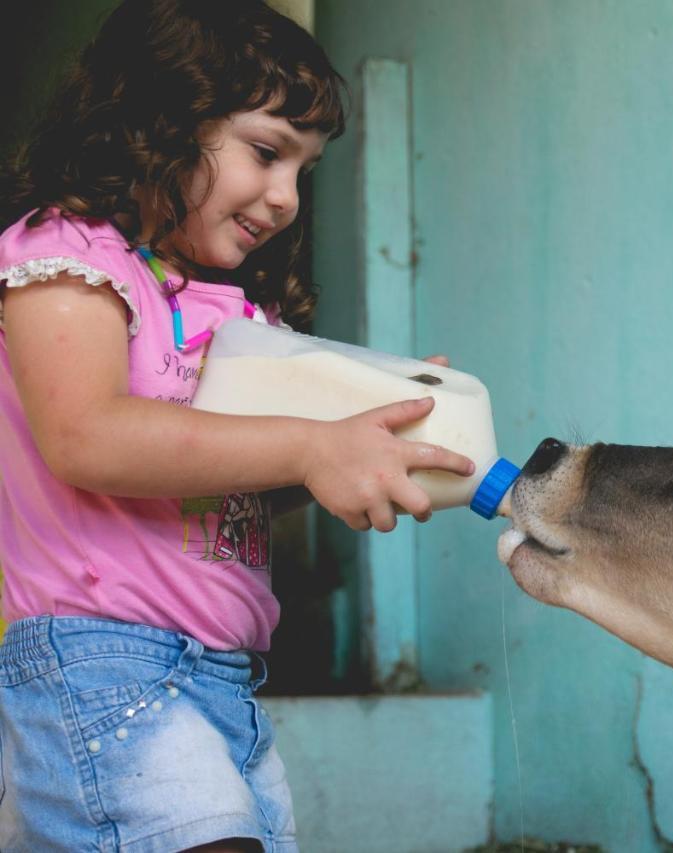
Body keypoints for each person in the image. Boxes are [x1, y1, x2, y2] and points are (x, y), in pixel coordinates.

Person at [0, 1, 473, 849]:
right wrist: (308, 442)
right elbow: (87, 435)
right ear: (161, 119)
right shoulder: (64, 252)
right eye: (266, 152)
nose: (287, 197)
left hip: (225, 679)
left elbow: (218, 483)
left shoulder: (233, 313)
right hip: (103, 661)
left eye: (306, 170)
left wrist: (353, 451)